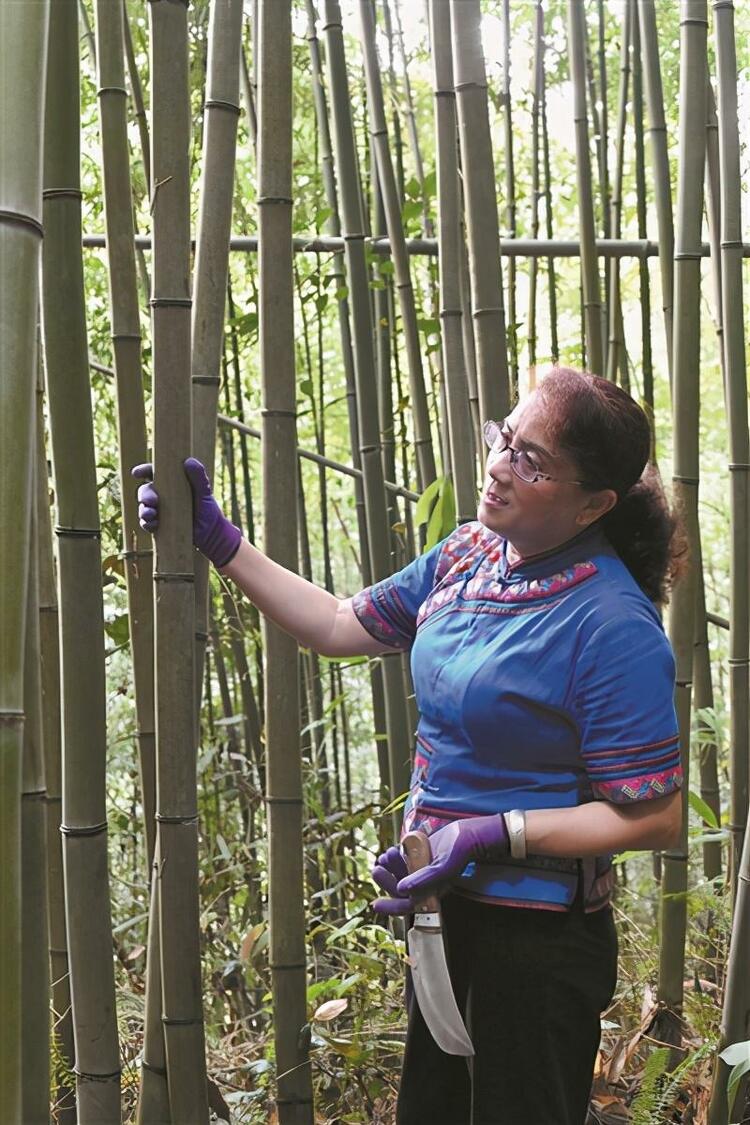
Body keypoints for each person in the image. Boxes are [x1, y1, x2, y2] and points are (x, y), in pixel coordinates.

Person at [133, 366, 684, 1125]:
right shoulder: (466, 556)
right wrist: (219, 542)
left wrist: (493, 833)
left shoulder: (612, 623)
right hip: (443, 916)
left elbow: (654, 816)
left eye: (533, 462)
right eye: (506, 439)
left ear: (595, 503)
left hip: (538, 944)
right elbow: (335, 625)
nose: (498, 467)